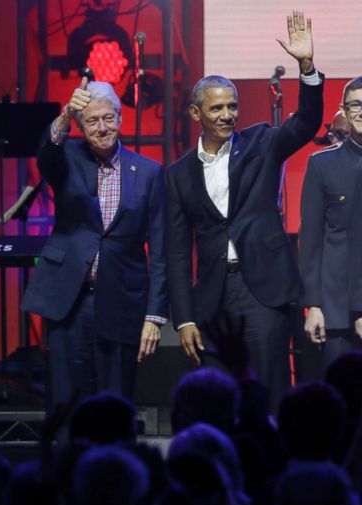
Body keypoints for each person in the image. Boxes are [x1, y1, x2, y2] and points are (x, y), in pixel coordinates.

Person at [165, 11, 323, 407]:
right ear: (196, 113)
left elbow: (306, 123)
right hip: (213, 297)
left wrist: (306, 67)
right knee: (216, 400)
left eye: (231, 107)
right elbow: (178, 251)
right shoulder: (179, 173)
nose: (227, 115)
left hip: (263, 291)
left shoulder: (262, 143)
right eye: (217, 109)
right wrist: (183, 317)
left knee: (270, 394)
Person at [20, 79, 167, 404]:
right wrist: (64, 116)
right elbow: (45, 156)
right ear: (80, 126)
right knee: (67, 402)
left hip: (122, 301)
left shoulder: (148, 172)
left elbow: (160, 252)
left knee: (115, 403)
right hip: (68, 302)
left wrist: (154, 317)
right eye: (91, 121)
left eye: (108, 118)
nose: (102, 128)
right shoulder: (67, 158)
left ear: (120, 118)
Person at [299, 77, 362, 368]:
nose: (361, 112)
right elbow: (310, 243)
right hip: (336, 312)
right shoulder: (321, 164)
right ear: (344, 111)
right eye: (355, 105)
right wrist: (313, 305)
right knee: (341, 402)